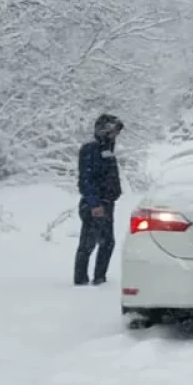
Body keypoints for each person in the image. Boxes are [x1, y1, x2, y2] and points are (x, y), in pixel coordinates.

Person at [75, 113, 124, 285]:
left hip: (107, 203)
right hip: (94, 205)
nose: (116, 134)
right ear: (104, 130)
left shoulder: (107, 149)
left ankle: (99, 277)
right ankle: (81, 279)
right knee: (88, 243)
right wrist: (94, 203)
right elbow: (85, 180)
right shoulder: (90, 149)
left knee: (107, 242)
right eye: (113, 130)